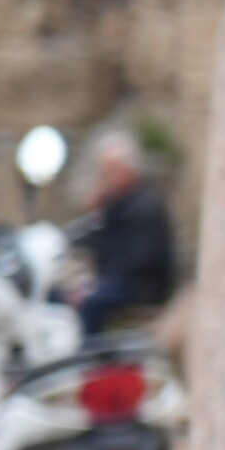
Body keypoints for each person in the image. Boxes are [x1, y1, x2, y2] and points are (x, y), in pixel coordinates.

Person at [70, 129, 176, 336]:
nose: (106, 178)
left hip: (142, 287)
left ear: (129, 170)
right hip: (116, 280)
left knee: (93, 302)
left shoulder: (146, 206)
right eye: (104, 172)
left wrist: (94, 286)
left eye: (111, 171)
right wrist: (96, 211)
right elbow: (97, 245)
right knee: (59, 295)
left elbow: (141, 260)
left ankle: (86, 357)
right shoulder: (116, 204)